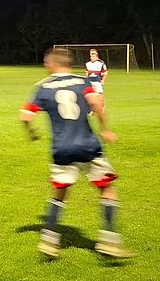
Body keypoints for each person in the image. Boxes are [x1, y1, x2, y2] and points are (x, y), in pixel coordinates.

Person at [20, 48, 134, 260]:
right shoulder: (83, 82)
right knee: (106, 188)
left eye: (46, 62)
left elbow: (25, 116)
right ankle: (109, 241)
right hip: (87, 145)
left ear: (52, 64)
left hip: (62, 148)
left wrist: (32, 133)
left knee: (60, 191)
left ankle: (49, 240)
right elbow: (97, 104)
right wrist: (105, 129)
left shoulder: (43, 87)